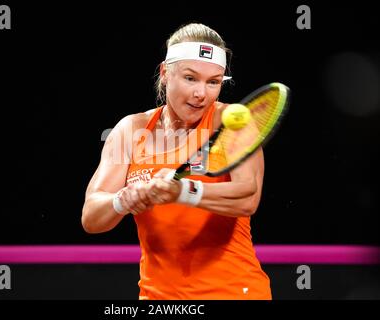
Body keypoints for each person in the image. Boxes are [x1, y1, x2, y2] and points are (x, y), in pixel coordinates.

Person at [82, 23, 271, 300]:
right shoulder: (130, 130)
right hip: (158, 299)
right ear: (165, 72)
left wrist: (182, 191)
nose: (201, 93)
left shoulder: (233, 123)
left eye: (213, 82)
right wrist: (125, 199)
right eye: (190, 78)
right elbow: (91, 217)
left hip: (234, 294)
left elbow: (247, 198)